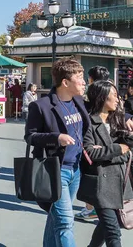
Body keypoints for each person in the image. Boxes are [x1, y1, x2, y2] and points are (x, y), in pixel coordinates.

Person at [25, 58, 90, 247]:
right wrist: (56, 137)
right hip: (54, 171)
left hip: (75, 169)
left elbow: (103, 106)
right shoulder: (41, 106)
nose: (84, 81)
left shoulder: (79, 101)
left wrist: (126, 117)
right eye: (79, 77)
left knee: (56, 218)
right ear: (65, 82)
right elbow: (30, 137)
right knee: (65, 222)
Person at [79, 80, 133, 247]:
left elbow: (128, 152)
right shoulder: (88, 122)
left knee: (106, 226)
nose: (118, 100)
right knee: (113, 233)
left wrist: (108, 150)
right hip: (99, 186)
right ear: (102, 98)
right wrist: (118, 148)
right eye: (114, 96)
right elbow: (91, 153)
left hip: (120, 184)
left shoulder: (118, 121)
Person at [75, 65, 111, 221]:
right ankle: (103, 206)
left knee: (90, 173)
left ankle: (92, 208)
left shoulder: (91, 93)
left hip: (92, 135)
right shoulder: (110, 89)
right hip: (108, 135)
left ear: (91, 78)